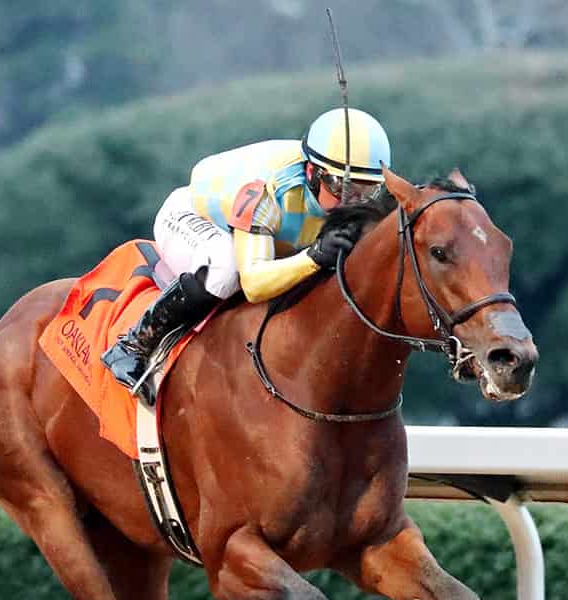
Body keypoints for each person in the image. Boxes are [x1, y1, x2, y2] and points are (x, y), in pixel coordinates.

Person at [101, 107, 392, 401]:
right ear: (311, 173)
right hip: (193, 218)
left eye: (366, 191)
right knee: (226, 269)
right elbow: (253, 283)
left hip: (265, 236)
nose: (352, 201)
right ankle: (133, 344)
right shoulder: (266, 191)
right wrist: (313, 257)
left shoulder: (343, 191)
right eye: (341, 186)